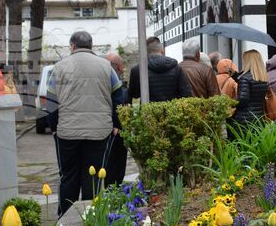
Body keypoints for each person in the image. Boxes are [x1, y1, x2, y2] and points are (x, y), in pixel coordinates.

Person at [46, 31, 124, 215]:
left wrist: (55, 127)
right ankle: (92, 216)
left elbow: (50, 101)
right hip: (99, 131)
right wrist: (116, 124)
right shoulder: (106, 67)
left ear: (72, 46)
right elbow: (118, 97)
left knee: (68, 176)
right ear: (91, 46)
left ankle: (65, 217)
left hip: (67, 132)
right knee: (94, 176)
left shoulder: (59, 67)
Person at [128, 36, 192, 102]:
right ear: (162, 49)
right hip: (172, 110)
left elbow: (134, 94)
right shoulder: (176, 68)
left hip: (147, 111)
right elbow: (186, 94)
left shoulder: (138, 70)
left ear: (146, 52)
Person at [104, 52, 129, 186]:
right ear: (119, 68)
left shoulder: (100, 81)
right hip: (116, 130)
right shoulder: (119, 86)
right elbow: (122, 104)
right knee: (117, 165)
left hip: (102, 129)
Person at [231, 50, 270, 128]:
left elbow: (243, 100)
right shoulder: (263, 78)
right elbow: (253, 90)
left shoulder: (245, 78)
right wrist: (237, 78)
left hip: (244, 119)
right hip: (259, 117)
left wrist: (231, 103)